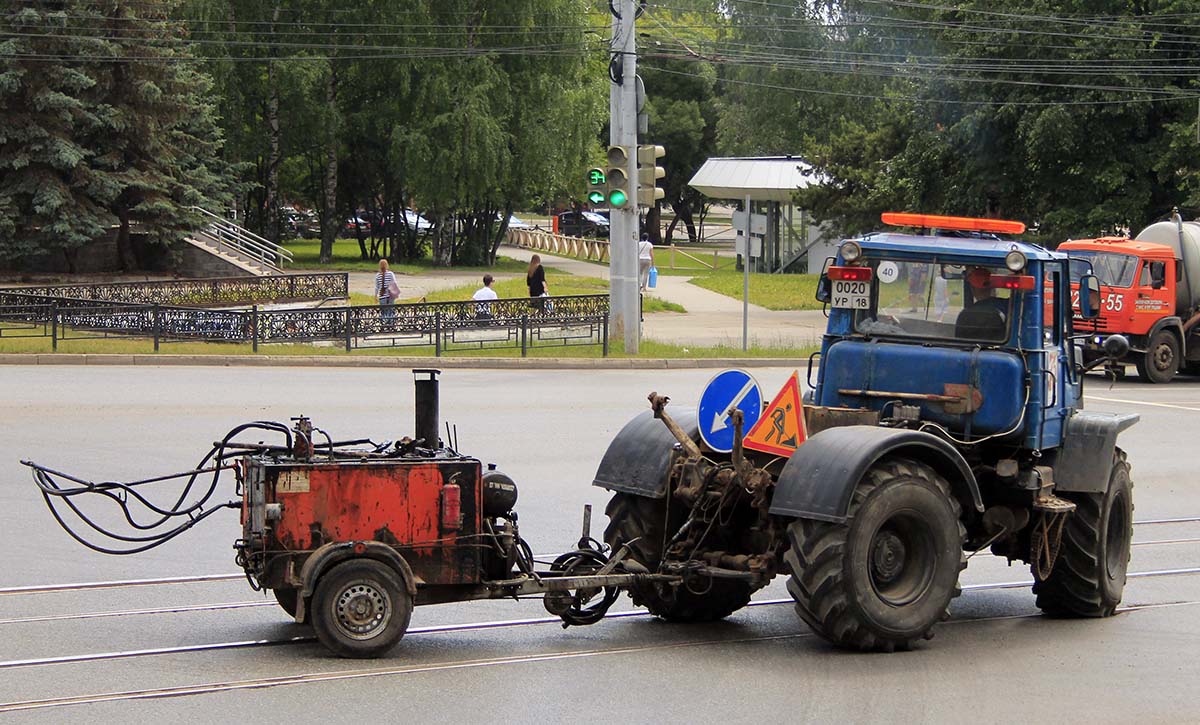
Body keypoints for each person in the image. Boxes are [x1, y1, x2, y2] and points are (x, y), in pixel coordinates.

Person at [955, 267, 1008, 340]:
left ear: (972, 288)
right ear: (991, 286)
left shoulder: (964, 315)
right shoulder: (1006, 306)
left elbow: (959, 341)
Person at [375, 258, 399, 328]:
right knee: (390, 310)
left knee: (383, 311)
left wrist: (375, 296)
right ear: (387, 265)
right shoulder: (390, 274)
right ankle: (390, 325)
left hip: (382, 296)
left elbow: (376, 287)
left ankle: (383, 325)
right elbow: (394, 283)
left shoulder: (377, 275)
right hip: (390, 296)